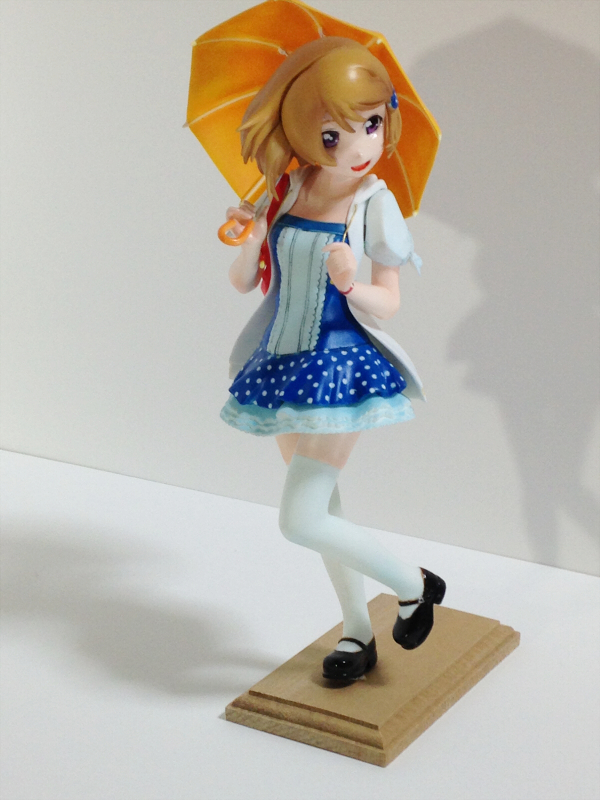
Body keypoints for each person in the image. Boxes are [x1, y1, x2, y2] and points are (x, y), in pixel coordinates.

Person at [220, 37, 445, 681]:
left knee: (300, 519)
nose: (358, 147)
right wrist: (251, 238)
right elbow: (244, 282)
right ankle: (356, 633)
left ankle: (413, 585)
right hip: (281, 366)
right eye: (331, 134)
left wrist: (351, 282)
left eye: (370, 124)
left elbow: (388, 303)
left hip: (340, 368)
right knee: (326, 512)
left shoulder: (375, 202)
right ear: (298, 132)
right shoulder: (287, 187)